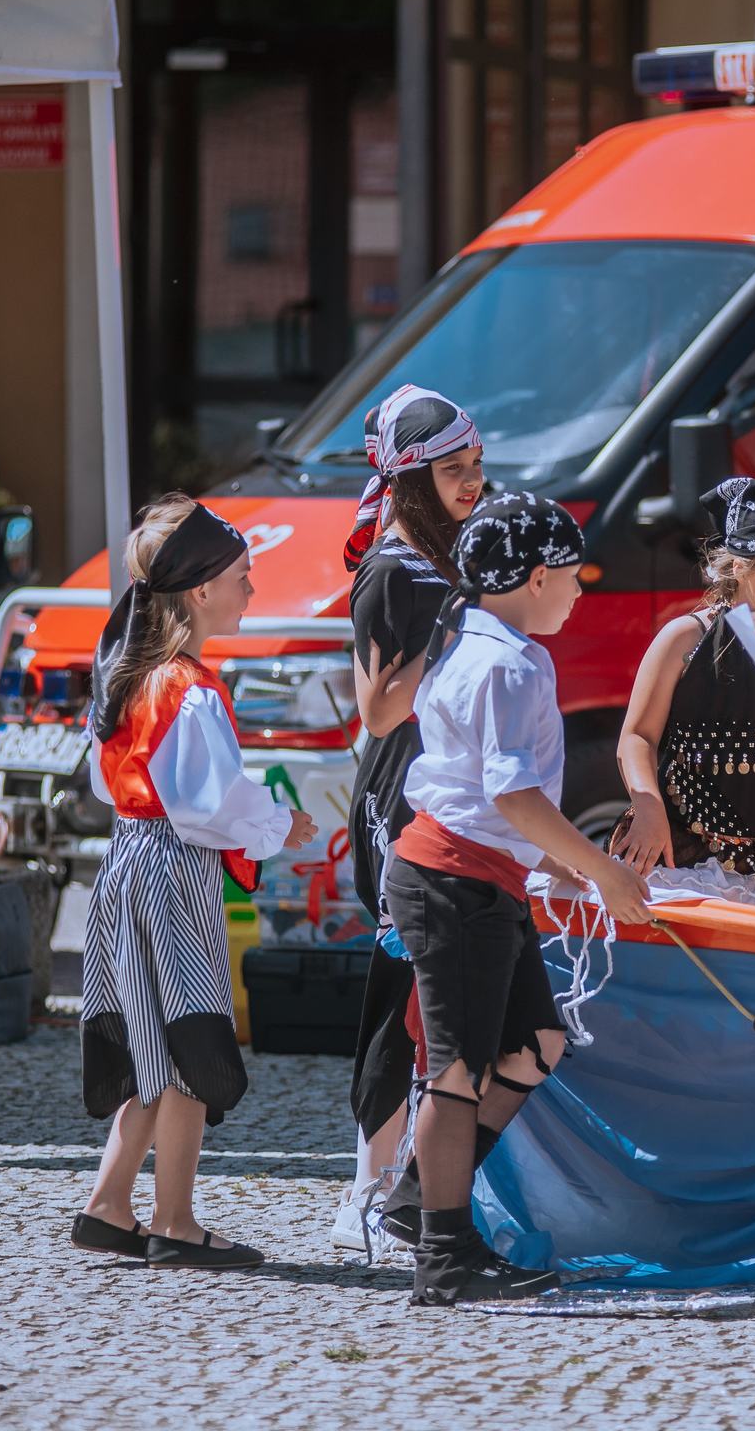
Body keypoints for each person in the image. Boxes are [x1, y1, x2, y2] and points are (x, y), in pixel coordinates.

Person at [383, 491, 657, 1304]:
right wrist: (601, 871)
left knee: (536, 1041)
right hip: (452, 879)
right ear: (537, 577)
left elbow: (494, 797)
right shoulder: (504, 661)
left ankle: (422, 1198)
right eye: (573, 578)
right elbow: (511, 794)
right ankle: (444, 1253)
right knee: (456, 1069)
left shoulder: (483, 642)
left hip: (482, 875)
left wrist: (554, 868)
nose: (578, 594)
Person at [70, 495, 318, 1271]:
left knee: (152, 1035)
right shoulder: (189, 689)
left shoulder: (130, 674)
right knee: (187, 1035)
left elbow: (114, 785)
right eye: (243, 577)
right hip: (172, 870)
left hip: (128, 860)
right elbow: (210, 805)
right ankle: (173, 1220)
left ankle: (110, 1203)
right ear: (202, 590)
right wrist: (279, 823)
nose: (251, 590)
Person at [329, 385, 488, 1253]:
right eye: (453, 468)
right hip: (401, 797)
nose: (472, 481)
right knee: (402, 996)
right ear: (411, 478)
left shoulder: (451, 555)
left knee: (448, 995)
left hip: (453, 783)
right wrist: (461, 630)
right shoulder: (393, 569)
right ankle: (367, 1186)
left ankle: (414, 1185)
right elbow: (380, 708)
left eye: (477, 464)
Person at [614, 477, 755, 895]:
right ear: (738, 567)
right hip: (685, 856)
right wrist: (648, 809)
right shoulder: (685, 638)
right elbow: (638, 736)